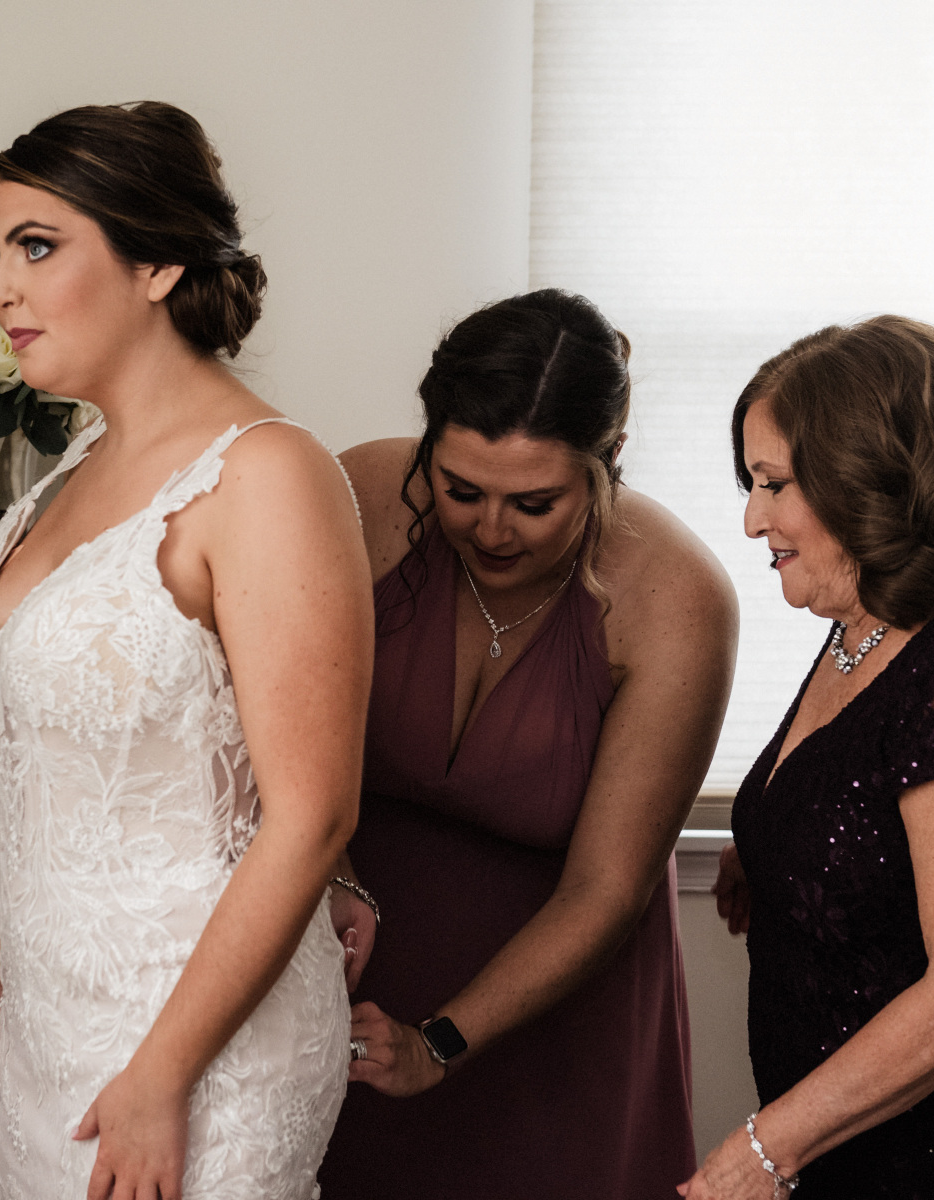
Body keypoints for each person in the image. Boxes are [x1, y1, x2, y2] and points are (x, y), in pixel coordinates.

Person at [0, 102, 372, 1200]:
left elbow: (312, 817)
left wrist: (162, 1075)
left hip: (202, 1045)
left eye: (37, 247)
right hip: (46, 1016)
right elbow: (61, 760)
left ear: (158, 264)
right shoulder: (75, 465)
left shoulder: (267, 476)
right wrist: (2, 949)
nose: (0, 289)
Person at [319, 290, 738, 1197]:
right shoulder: (362, 498)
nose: (490, 529)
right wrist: (332, 869)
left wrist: (439, 1042)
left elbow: (608, 888)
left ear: (608, 460)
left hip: (556, 1008)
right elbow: (263, 723)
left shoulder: (675, 597)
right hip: (350, 973)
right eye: (460, 489)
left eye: (535, 503)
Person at [683, 316, 934, 1199]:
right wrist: (773, 851)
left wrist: (759, 1156)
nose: (752, 520)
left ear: (868, 477)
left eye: (774, 484)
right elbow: (865, 795)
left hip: (933, 1161)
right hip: (833, 1144)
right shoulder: (865, 624)